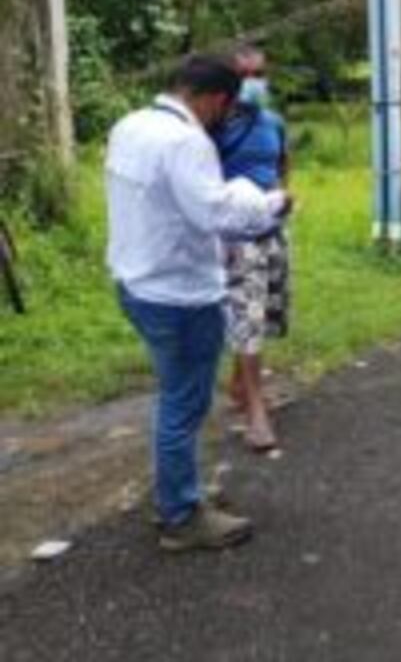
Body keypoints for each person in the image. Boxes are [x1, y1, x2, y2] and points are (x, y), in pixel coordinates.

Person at [106, 55, 291, 552]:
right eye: (225, 109)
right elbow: (217, 213)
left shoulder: (131, 125)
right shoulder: (186, 142)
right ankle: (181, 516)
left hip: (137, 283)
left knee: (175, 396)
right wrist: (270, 202)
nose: (222, 119)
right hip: (179, 293)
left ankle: (179, 493)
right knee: (183, 404)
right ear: (214, 99)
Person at [217, 45, 291, 452]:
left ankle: (238, 387)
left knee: (263, 312)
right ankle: (256, 412)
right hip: (236, 237)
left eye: (258, 74)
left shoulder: (274, 123)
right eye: (244, 76)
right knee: (248, 314)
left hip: (273, 227)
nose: (253, 83)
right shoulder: (215, 127)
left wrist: (283, 198)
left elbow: (281, 167)